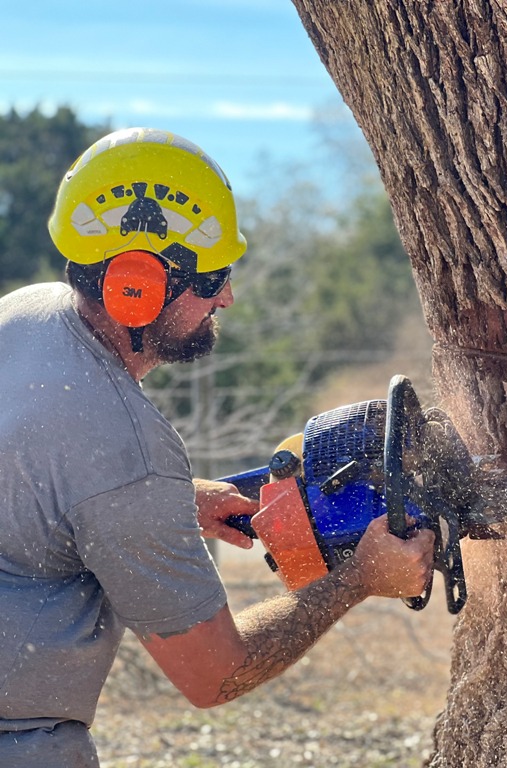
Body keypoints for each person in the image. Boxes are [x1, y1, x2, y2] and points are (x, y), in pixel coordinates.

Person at [0, 127, 435, 767]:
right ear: (135, 287)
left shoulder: (26, 317)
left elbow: (41, 473)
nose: (226, 297)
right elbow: (217, 674)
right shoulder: (126, 458)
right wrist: (358, 579)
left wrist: (172, 501)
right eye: (213, 278)